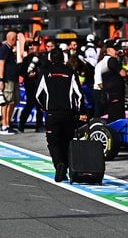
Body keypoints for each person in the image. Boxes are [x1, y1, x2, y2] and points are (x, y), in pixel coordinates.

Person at [35, 48, 83, 182]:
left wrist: (45, 107)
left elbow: (38, 95)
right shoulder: (71, 72)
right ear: (63, 58)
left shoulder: (45, 73)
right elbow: (79, 95)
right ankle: (65, 167)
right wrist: (78, 111)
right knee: (67, 141)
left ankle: (59, 165)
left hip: (52, 113)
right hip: (68, 114)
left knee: (53, 142)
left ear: (51, 59)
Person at [0, 31, 21, 135]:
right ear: (12, 38)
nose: (16, 41)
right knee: (6, 102)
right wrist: (1, 80)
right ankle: (4, 125)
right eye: (16, 38)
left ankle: (8, 123)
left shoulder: (10, 49)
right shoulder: (4, 49)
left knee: (14, 101)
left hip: (14, 79)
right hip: (7, 80)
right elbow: (1, 64)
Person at [18, 40, 45, 133]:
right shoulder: (27, 59)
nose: (35, 47)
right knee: (29, 104)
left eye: (37, 46)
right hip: (30, 84)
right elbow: (22, 72)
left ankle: (39, 125)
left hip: (40, 84)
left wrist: (37, 73)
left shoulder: (43, 58)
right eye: (33, 46)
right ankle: (21, 124)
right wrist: (28, 74)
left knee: (40, 105)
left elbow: (44, 70)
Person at [100, 44, 127, 121]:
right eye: (114, 49)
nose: (117, 51)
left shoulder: (103, 60)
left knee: (112, 114)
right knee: (117, 115)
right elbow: (123, 73)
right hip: (115, 93)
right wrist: (124, 59)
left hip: (109, 91)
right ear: (108, 50)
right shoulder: (112, 60)